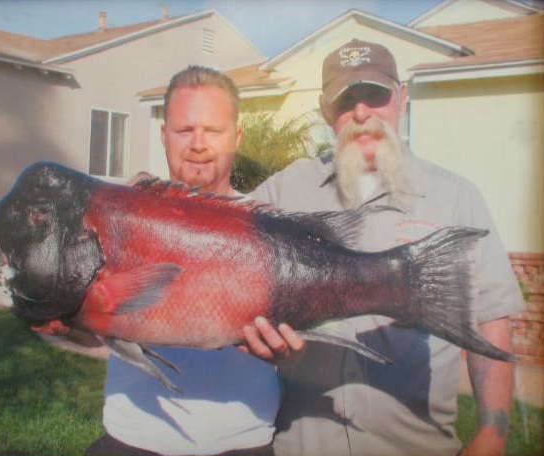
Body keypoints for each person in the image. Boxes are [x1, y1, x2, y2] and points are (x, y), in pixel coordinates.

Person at [247, 40, 523, 456]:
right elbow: (224, 238)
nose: (362, 113)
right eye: (346, 100)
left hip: (415, 445)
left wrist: (493, 431)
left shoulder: (456, 198)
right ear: (326, 112)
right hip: (301, 445)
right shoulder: (285, 190)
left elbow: (491, 317)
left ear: (402, 98)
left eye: (376, 95)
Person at [36, 66, 304, 456]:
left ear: (237, 136)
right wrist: (57, 325)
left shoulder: (269, 226)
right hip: (133, 441)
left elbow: (299, 349)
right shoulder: (117, 220)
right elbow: (91, 332)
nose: (198, 144)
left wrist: (291, 355)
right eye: (184, 130)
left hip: (243, 443)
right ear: (164, 136)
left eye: (213, 130)